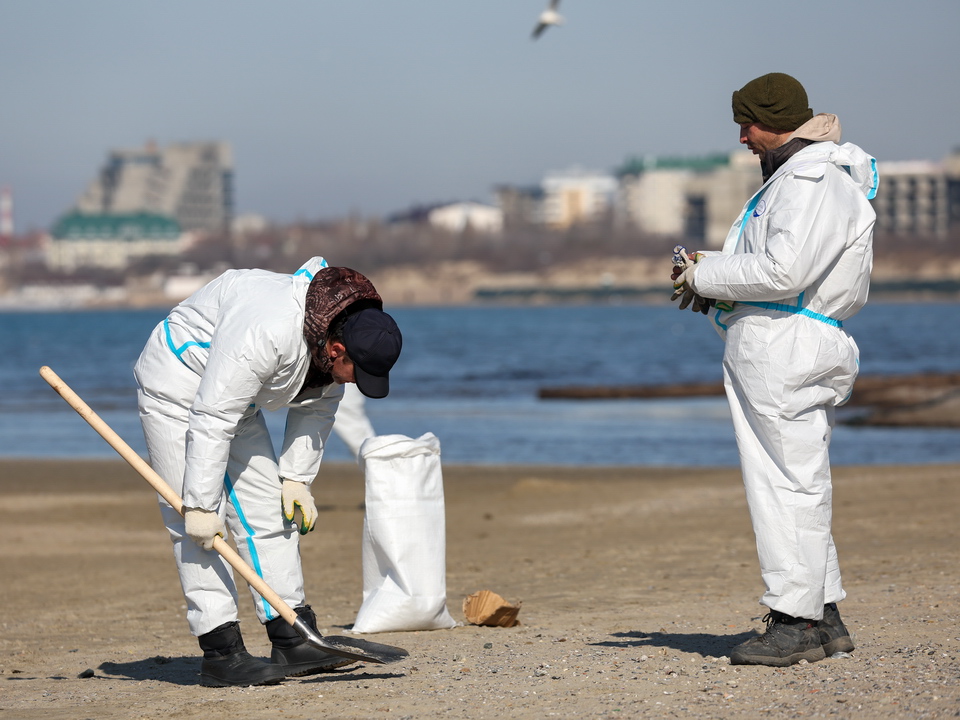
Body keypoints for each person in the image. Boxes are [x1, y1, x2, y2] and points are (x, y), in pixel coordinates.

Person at [670, 72, 878, 667]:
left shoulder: (810, 181)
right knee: (798, 477)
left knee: (784, 483)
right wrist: (715, 272)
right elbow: (785, 269)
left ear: (773, 121)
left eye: (746, 124)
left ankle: (794, 619)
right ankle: (823, 612)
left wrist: (703, 277)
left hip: (784, 344)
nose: (741, 137)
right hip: (797, 336)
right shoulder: (817, 178)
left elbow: (784, 272)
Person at [133, 256, 402, 687]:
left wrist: (295, 478)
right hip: (181, 383)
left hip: (235, 397)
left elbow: (319, 406)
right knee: (199, 528)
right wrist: (201, 504)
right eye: (358, 373)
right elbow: (212, 415)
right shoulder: (266, 331)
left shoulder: (340, 328)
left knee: (268, 508)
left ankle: (292, 635)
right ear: (337, 349)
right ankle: (221, 652)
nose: (354, 383)